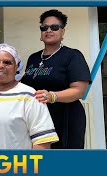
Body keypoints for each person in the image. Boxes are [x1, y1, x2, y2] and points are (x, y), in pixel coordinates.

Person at [0, 43, 59, 149]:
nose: (0, 65)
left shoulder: (29, 96)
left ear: (16, 66)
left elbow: (42, 142)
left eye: (7, 62)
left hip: (16, 165)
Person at [21, 9, 91, 149]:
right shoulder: (33, 58)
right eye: (44, 27)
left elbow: (79, 90)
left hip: (66, 118)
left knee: (64, 164)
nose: (49, 30)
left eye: (54, 27)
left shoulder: (72, 56)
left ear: (62, 32)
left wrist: (52, 96)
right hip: (39, 119)